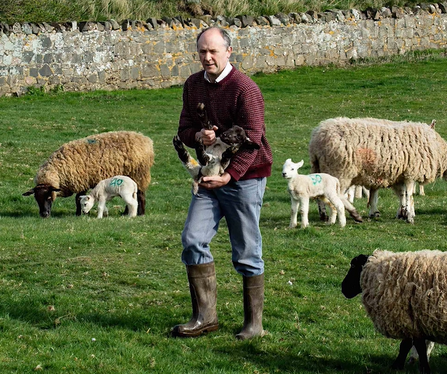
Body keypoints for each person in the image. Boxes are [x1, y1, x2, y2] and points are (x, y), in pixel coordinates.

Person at [172, 27, 273, 340]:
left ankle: (254, 324)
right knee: (192, 238)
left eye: (213, 51)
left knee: (246, 249)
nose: (207, 57)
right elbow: (184, 128)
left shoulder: (245, 88)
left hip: (245, 177)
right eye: (202, 51)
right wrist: (198, 137)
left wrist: (231, 175)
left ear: (229, 52)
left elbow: (253, 138)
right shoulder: (192, 85)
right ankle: (205, 317)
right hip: (209, 173)